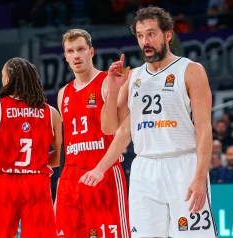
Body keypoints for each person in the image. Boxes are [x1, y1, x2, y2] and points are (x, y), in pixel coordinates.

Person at [82, 7, 218, 238]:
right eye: (140, 35)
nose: (145, 41)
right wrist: (113, 90)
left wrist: (199, 177)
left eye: (151, 34)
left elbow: (204, 128)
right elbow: (114, 129)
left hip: (182, 164)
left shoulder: (191, 70)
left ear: (167, 35)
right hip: (145, 168)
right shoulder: (134, 76)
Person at [0, 57, 62, 238]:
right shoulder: (50, 112)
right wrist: (36, 163)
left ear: (7, 80)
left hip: (5, 182)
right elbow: (61, 157)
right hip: (37, 184)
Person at [55, 29, 130, 238]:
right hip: (71, 178)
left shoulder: (109, 81)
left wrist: (114, 91)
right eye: (71, 51)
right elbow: (65, 146)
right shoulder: (63, 94)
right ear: (66, 56)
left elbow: (113, 130)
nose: (76, 55)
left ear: (91, 51)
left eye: (80, 49)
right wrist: (61, 186)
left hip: (102, 171)